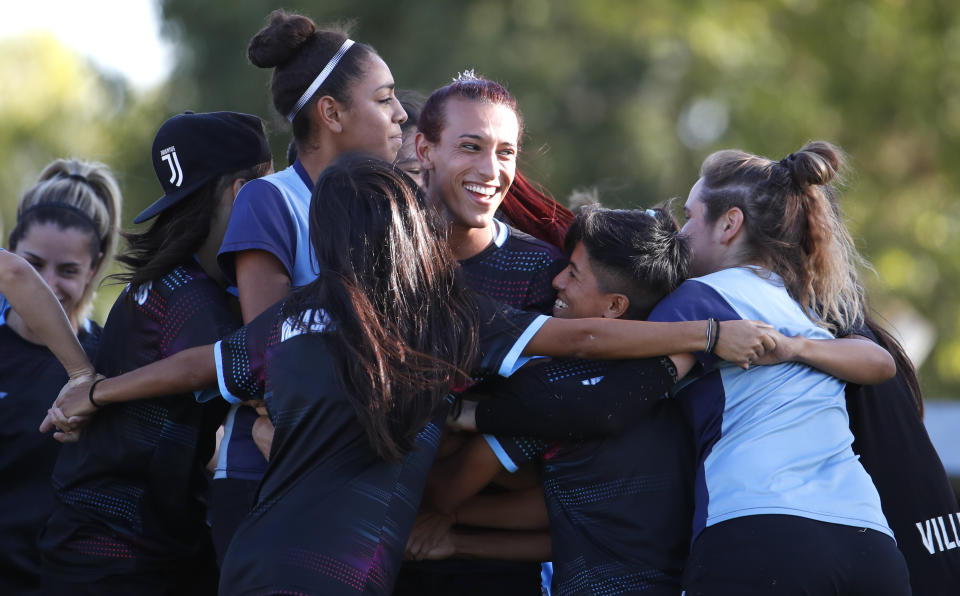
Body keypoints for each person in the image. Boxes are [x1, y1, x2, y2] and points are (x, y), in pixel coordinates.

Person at [409, 207, 896, 596]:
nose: (555, 282)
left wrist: (460, 418)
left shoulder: (558, 393)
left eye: (572, 274)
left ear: (615, 308)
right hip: (865, 540)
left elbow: (447, 492)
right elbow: (584, 526)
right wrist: (455, 537)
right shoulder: (682, 400)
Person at [647, 141, 911, 594]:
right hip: (871, 543)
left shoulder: (700, 296)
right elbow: (879, 361)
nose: (680, 232)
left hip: (760, 529)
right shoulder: (810, 307)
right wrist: (796, 347)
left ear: (729, 223)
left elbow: (621, 391)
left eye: (690, 217)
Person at [38, 111, 273, 594]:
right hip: (120, 562)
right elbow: (250, 379)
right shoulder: (193, 301)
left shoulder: (166, 282)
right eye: (269, 188)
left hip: (104, 550)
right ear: (242, 191)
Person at [210, 11, 409, 558]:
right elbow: (268, 355)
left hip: (352, 463)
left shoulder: (394, 207)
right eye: (384, 98)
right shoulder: (269, 200)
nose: (401, 113)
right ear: (332, 113)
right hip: (267, 471)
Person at [0, 158, 119, 593]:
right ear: (11, 251)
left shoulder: (111, 365)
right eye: (33, 266)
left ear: (94, 267)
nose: (47, 284)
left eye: (67, 270)